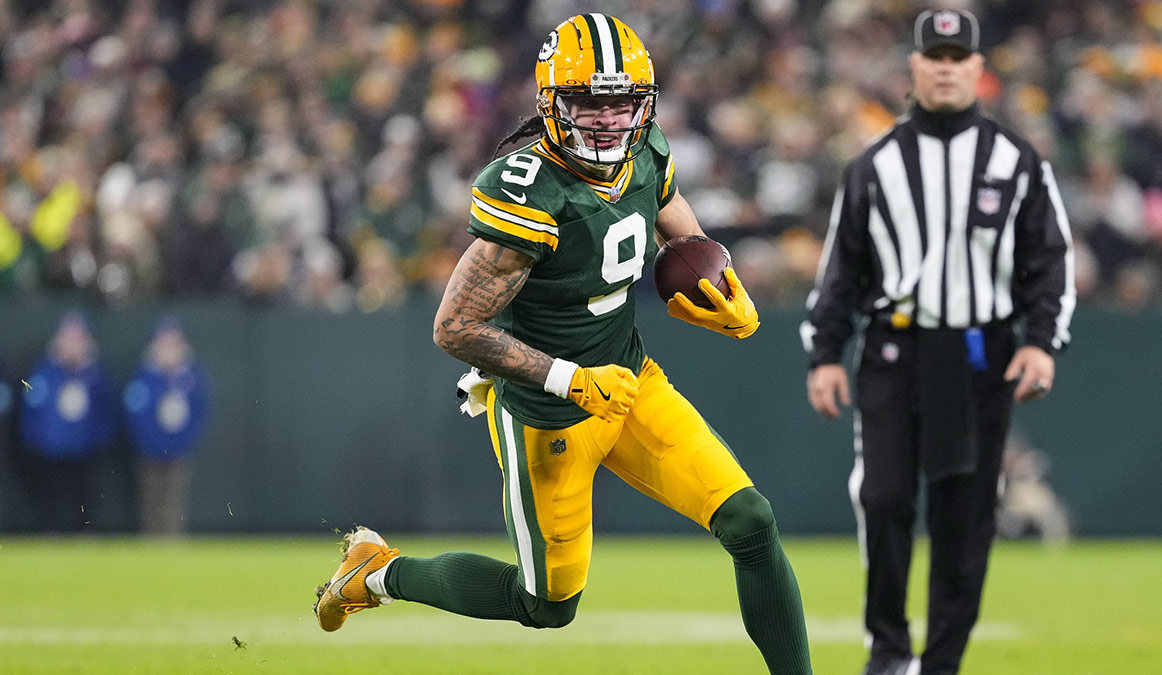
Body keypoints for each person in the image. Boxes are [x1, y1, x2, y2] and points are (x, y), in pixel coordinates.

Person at [313, 14, 812, 674]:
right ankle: (377, 573)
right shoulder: (530, 191)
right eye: (587, 103)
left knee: (750, 519)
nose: (608, 120)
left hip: (631, 382)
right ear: (552, 102)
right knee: (546, 603)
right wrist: (568, 380)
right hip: (547, 413)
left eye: (621, 103)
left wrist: (720, 280)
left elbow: (672, 214)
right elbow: (453, 327)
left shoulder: (646, 152)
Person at [801, 9, 1075, 675]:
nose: (947, 67)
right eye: (936, 56)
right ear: (914, 68)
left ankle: (942, 661)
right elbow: (843, 267)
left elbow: (1051, 260)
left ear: (979, 70)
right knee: (885, 496)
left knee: (966, 516)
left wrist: (1042, 342)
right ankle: (889, 650)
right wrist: (825, 352)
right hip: (894, 351)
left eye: (959, 57)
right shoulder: (874, 166)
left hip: (980, 352)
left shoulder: (1016, 161)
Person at [19, 310, 120, 532]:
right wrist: (35, 442)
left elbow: (106, 412)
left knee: (85, 500)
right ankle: (49, 535)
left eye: (78, 338)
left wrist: (99, 442)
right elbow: (33, 409)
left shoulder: (95, 374)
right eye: (68, 337)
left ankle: (86, 536)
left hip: (85, 450)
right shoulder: (45, 370)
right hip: (50, 451)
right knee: (49, 499)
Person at [123, 317, 210, 536]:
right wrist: (146, 443)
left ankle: (173, 542)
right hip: (149, 451)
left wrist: (185, 442)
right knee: (151, 500)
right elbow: (135, 414)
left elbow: (200, 412)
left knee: (174, 501)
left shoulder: (191, 377)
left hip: (178, 451)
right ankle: (152, 543)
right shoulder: (144, 377)